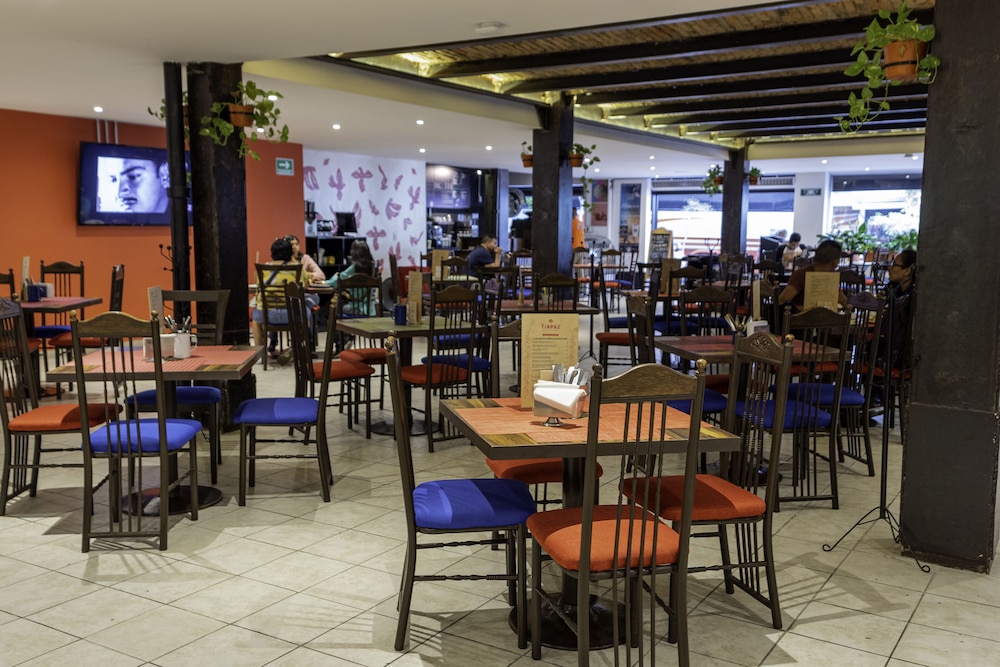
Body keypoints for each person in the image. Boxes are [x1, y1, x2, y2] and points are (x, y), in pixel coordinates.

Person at [251, 237, 302, 357]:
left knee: (255, 318)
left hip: (268, 315)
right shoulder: (297, 268)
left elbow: (258, 286)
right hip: (292, 315)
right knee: (307, 314)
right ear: (290, 252)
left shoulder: (264, 269)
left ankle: (261, 354)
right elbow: (304, 286)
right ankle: (299, 349)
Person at [778, 239, 847, 312]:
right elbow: (782, 300)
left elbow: (842, 301)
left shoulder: (830, 277)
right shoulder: (801, 275)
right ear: (834, 262)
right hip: (801, 318)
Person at [879, 248, 917, 370]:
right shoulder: (894, 287)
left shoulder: (912, 297)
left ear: (907, 271)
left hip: (898, 353)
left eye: (894, 265)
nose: (890, 268)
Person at [325, 239, 378, 315]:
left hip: (356, 308)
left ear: (353, 252)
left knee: (334, 306)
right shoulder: (373, 267)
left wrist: (328, 280)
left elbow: (335, 282)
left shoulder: (354, 268)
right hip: (371, 309)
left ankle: (332, 323)